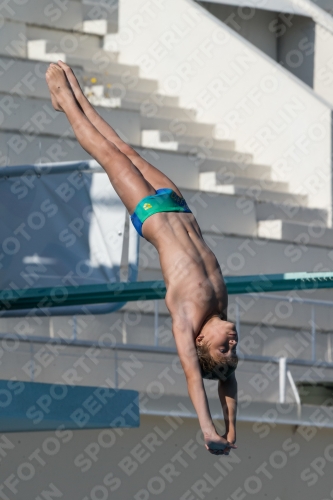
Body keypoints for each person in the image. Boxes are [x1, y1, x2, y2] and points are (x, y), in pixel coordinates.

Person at [46, 62, 238, 456]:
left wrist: (209, 429)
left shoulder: (185, 320)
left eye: (225, 349)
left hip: (150, 213)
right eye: (235, 350)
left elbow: (195, 379)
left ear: (201, 340)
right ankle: (76, 96)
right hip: (178, 205)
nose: (234, 344)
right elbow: (227, 380)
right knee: (125, 149)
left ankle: (66, 103)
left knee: (106, 153)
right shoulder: (220, 307)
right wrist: (232, 429)